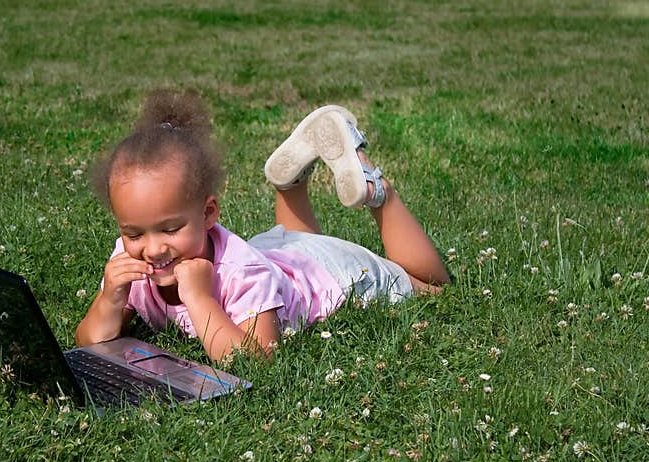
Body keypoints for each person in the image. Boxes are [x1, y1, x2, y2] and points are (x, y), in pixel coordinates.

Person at [75, 89, 450, 363]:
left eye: (170, 229)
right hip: (281, 253)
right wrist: (110, 299)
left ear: (208, 215)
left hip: (334, 273)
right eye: (134, 233)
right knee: (298, 247)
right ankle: (290, 182)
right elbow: (90, 341)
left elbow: (256, 359)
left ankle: (377, 190)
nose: (152, 249)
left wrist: (201, 299)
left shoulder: (242, 273)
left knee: (433, 287)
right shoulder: (130, 262)